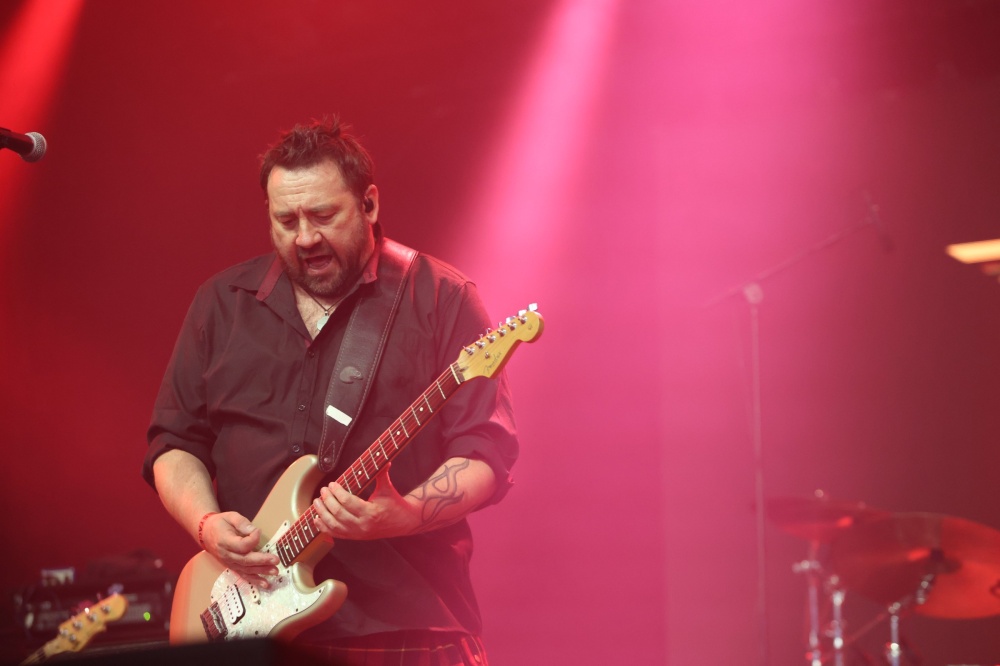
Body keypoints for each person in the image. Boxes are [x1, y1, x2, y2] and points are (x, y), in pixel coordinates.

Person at [142, 116, 518, 665]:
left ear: (369, 204)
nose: (305, 238)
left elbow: (486, 453)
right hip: (252, 630)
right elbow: (174, 442)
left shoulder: (441, 299)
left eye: (323, 216)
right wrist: (206, 524)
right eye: (285, 220)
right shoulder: (222, 303)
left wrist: (405, 514)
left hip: (405, 627)